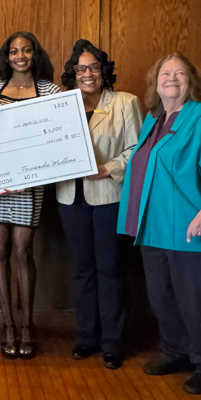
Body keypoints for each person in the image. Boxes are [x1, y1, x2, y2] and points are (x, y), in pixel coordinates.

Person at [117, 52, 201, 394]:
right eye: (165, 73)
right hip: (153, 227)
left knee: (197, 300)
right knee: (162, 296)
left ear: (192, 81)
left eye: (180, 73)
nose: (171, 78)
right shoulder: (153, 120)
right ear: (155, 83)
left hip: (193, 227)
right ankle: (175, 351)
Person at [55, 40, 142, 369]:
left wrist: (108, 168)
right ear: (72, 73)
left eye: (93, 67)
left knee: (109, 269)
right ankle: (86, 336)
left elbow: (137, 149)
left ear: (104, 71)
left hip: (108, 197)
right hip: (69, 197)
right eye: (80, 68)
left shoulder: (125, 102)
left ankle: (111, 341)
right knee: (82, 270)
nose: (87, 73)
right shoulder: (61, 104)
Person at [0, 31, 60, 359]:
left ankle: (27, 325)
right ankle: (7, 324)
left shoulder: (51, 90)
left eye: (26, 50)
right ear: (6, 56)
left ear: (35, 54)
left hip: (30, 181)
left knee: (23, 251)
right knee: (0, 250)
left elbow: (55, 135)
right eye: (14, 51)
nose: (20, 56)